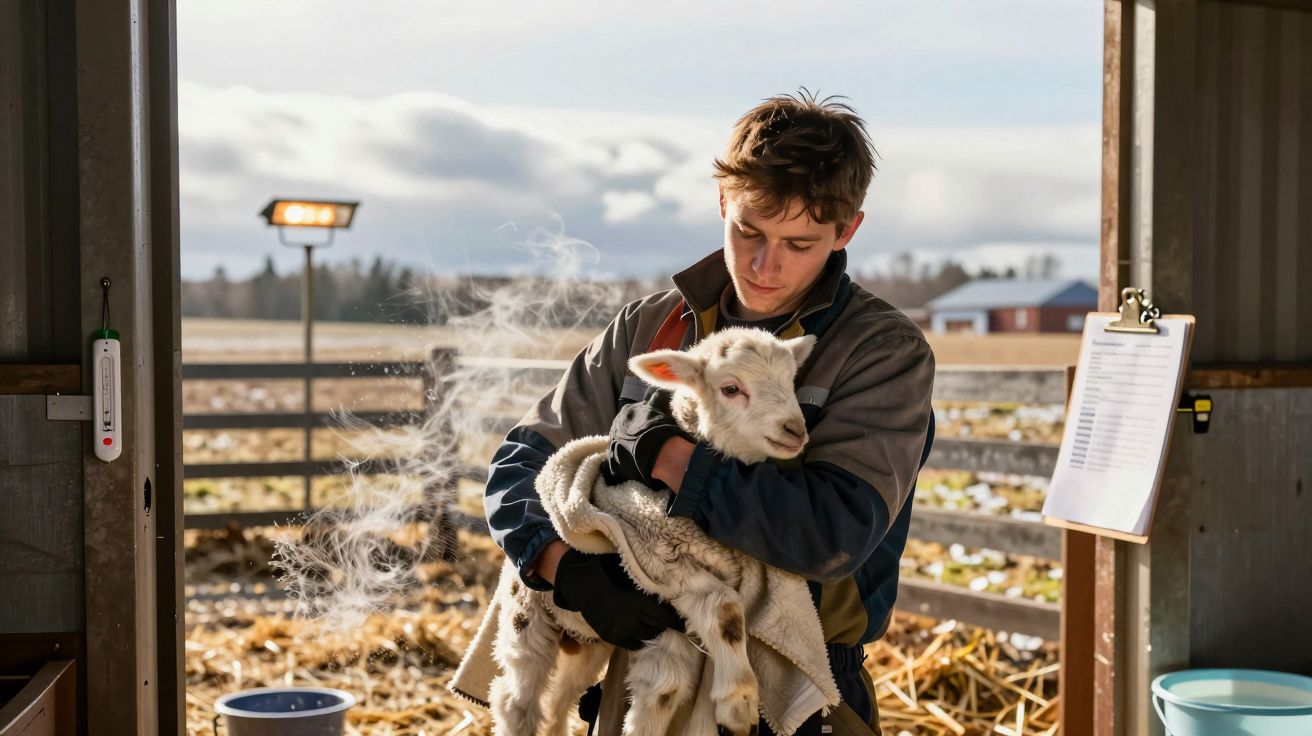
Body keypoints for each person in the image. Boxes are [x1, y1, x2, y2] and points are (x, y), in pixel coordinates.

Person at [483, 90, 935, 736]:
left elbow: (831, 532)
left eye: (799, 243)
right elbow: (523, 462)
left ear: (847, 231)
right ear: (722, 201)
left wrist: (671, 458)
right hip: (637, 683)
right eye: (748, 229)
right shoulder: (648, 326)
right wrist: (566, 570)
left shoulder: (878, 353)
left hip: (791, 689)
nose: (764, 264)